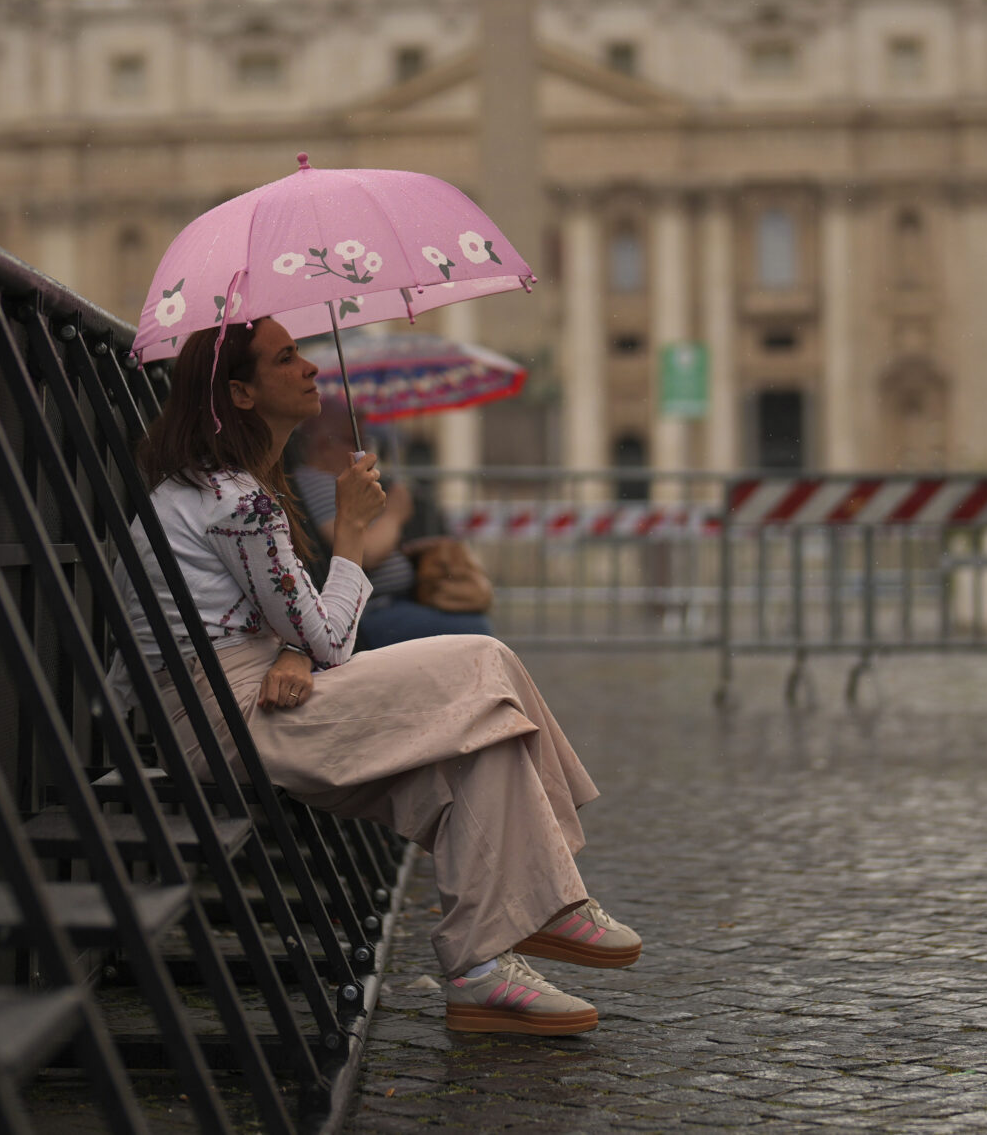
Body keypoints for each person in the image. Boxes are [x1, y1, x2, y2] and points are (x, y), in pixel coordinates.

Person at [115, 317, 638, 1035]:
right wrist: (355, 529)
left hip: (239, 693)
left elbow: (287, 623)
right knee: (485, 662)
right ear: (240, 392)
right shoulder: (243, 503)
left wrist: (291, 648)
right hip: (227, 716)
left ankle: (481, 973)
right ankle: (552, 898)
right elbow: (328, 637)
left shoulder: (220, 489)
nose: (308, 366)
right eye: (286, 357)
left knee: (479, 740)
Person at [288, 402, 494, 650]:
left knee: (472, 626)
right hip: (371, 611)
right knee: (475, 632)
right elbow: (365, 553)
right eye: (355, 439)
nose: (363, 450)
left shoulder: (335, 481)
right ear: (324, 444)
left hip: (392, 602)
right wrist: (395, 514)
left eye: (366, 440)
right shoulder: (319, 482)